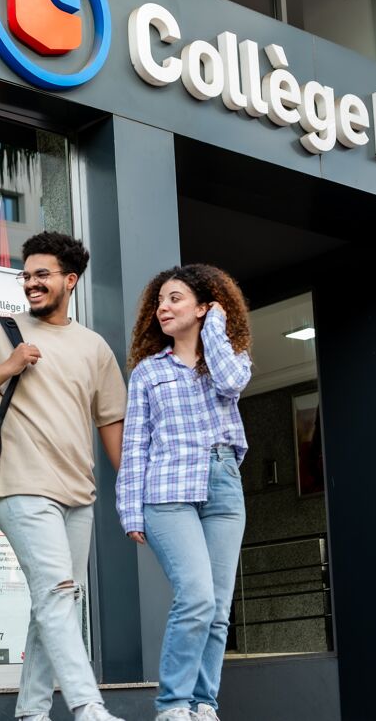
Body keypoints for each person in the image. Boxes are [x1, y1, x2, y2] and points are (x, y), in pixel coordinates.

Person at [0, 232, 128, 721]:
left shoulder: (94, 347)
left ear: (70, 280)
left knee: (59, 599)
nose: (31, 283)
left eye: (42, 275)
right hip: (20, 488)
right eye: (26, 275)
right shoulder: (1, 332)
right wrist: (8, 366)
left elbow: (111, 422)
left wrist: (129, 492)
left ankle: (31, 711)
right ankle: (88, 707)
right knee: (57, 593)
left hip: (78, 495)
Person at [116, 265, 253, 721]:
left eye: (175, 299)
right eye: (159, 302)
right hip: (169, 490)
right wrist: (129, 509)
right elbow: (135, 444)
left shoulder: (230, 360)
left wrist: (215, 326)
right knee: (195, 596)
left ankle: (203, 704)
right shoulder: (147, 373)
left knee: (217, 608)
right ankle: (173, 704)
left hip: (223, 485)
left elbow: (232, 384)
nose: (163, 308)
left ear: (203, 306)